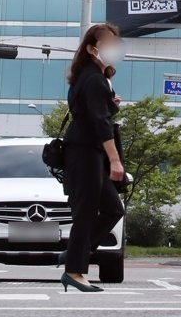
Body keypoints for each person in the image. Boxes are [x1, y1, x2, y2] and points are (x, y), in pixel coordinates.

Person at [61, 23, 126, 293]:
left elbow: (95, 112)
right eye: (108, 43)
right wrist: (115, 160)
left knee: (113, 209)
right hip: (85, 152)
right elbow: (99, 124)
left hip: (88, 151)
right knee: (85, 213)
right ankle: (74, 271)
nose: (114, 49)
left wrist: (110, 103)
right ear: (91, 48)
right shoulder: (92, 79)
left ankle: (75, 254)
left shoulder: (94, 80)